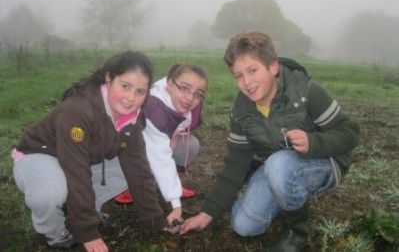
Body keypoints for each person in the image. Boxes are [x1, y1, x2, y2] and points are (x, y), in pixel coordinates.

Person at [180, 32, 360, 252]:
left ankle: (296, 229)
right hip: (278, 167)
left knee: (278, 164)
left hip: (325, 162)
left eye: (252, 70)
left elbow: (350, 133)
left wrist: (314, 142)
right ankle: (285, 195)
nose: (246, 82)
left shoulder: (307, 91)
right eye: (238, 75)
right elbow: (236, 163)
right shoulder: (242, 110)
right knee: (244, 226)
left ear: (273, 66)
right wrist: (209, 212)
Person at [11, 51, 172, 252]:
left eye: (140, 92)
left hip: (78, 159)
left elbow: (138, 168)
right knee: (48, 194)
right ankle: (53, 231)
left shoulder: (132, 117)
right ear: (108, 78)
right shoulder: (79, 110)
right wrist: (87, 231)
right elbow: (76, 171)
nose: (131, 98)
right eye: (125, 86)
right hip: (39, 156)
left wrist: (155, 219)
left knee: (132, 167)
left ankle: (78, 209)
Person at [114, 64, 208, 223]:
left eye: (197, 93)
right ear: (169, 85)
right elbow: (160, 157)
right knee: (152, 158)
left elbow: (184, 123)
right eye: (184, 88)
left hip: (152, 142)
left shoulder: (186, 100)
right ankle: (134, 186)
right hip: (122, 148)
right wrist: (175, 203)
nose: (190, 98)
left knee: (189, 144)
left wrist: (173, 134)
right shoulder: (154, 108)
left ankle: (173, 183)